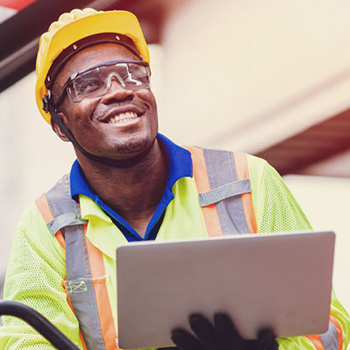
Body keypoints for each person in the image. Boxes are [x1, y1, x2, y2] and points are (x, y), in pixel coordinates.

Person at [0, 8, 348, 350]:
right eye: (88, 84)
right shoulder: (46, 228)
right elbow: (24, 344)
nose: (119, 90)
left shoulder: (248, 181)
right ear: (60, 123)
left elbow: (330, 329)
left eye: (131, 74)